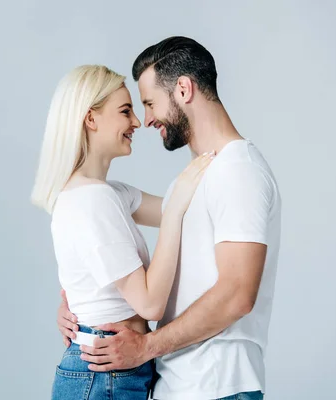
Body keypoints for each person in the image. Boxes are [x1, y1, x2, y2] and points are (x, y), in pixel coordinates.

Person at [57, 37, 282, 400]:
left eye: (148, 103)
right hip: (175, 383)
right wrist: (83, 303)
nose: (145, 121)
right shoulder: (192, 179)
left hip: (217, 385)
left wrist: (146, 347)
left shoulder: (238, 170)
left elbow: (237, 295)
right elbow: (94, 225)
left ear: (183, 88)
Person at [31, 64, 214, 400]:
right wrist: (175, 211)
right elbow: (150, 305)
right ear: (91, 119)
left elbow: (187, 210)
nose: (136, 122)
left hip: (107, 372)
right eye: (125, 111)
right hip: (105, 375)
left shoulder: (104, 194)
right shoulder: (92, 199)